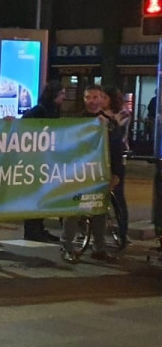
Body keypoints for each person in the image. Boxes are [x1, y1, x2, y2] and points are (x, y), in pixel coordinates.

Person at [62, 85, 120, 264]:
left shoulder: (110, 123)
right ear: (84, 99)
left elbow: (116, 150)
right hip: (78, 173)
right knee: (72, 210)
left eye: (96, 97)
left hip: (101, 174)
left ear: (102, 99)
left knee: (99, 211)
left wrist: (116, 174)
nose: (92, 101)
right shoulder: (76, 120)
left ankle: (99, 248)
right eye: (89, 97)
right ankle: (67, 247)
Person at [22, 82, 65, 243]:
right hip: (36, 160)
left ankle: (38, 229)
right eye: (61, 93)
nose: (64, 97)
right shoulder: (40, 110)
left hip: (45, 160)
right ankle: (33, 230)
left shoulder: (52, 110)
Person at [103, 86, 130, 246]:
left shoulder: (122, 114)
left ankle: (123, 232)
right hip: (102, 156)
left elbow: (118, 133)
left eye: (105, 98)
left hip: (118, 157)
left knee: (118, 197)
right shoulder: (101, 115)